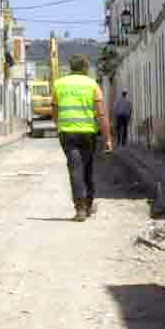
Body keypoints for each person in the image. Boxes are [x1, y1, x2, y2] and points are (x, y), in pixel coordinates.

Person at [52, 55, 113, 221]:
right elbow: (101, 114)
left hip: (67, 133)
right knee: (87, 167)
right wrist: (107, 138)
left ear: (70, 67)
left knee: (74, 168)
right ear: (85, 68)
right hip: (88, 133)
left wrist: (59, 126)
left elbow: (55, 111)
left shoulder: (59, 84)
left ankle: (80, 208)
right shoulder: (92, 84)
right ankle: (88, 204)